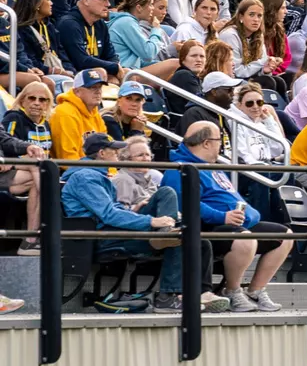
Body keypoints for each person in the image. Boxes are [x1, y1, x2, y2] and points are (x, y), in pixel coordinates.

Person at [61, 131, 229, 313]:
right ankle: (167, 297)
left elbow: (114, 211)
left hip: (115, 230)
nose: (118, 154)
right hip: (103, 237)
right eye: (114, 150)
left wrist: (135, 211)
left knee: (198, 240)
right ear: (102, 153)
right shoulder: (86, 177)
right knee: (178, 238)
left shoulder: (97, 176)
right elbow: (109, 215)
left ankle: (202, 292)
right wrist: (151, 220)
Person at [164, 122, 293, 312]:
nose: (222, 146)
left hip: (233, 223)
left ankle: (255, 291)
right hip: (206, 229)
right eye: (219, 141)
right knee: (245, 239)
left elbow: (232, 198)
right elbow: (186, 204)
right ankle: (232, 291)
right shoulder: (180, 169)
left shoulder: (212, 167)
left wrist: (249, 215)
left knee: (285, 236)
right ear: (206, 143)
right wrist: (222, 217)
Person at [107, 0, 179, 78]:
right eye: (151, 5)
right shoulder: (126, 22)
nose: (152, 8)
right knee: (175, 64)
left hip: (132, 70)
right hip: (124, 74)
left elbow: (141, 59)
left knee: (172, 71)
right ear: (139, 8)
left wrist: (159, 65)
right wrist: (156, 30)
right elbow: (148, 53)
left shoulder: (129, 21)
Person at [57, 0, 120, 82]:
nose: (108, 4)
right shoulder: (69, 24)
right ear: (86, 1)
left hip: (94, 74)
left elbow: (111, 55)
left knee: (126, 73)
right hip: (73, 75)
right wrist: (113, 68)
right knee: (102, 72)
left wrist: (115, 67)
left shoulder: (100, 24)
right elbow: (81, 61)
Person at [49, 67, 109, 160]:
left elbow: (107, 150)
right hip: (75, 172)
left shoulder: (94, 112)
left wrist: (112, 172)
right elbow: (68, 159)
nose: (98, 91)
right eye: (92, 87)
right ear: (77, 91)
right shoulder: (65, 113)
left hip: (95, 169)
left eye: (99, 87)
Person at [218, 0, 281, 83]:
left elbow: (259, 67)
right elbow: (238, 71)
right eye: (251, 15)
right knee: (269, 83)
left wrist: (265, 70)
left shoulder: (258, 35)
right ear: (241, 17)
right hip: (229, 80)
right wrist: (264, 62)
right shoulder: (230, 35)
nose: (256, 19)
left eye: (259, 16)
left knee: (277, 81)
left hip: (247, 78)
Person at [167, 40, 205, 117]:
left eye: (202, 56)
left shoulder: (194, 77)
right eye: (194, 56)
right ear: (183, 59)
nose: (199, 60)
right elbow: (201, 104)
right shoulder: (184, 75)